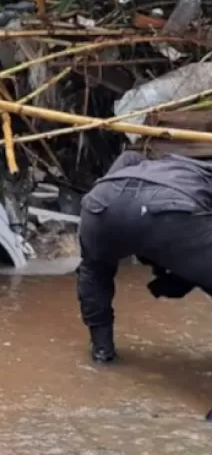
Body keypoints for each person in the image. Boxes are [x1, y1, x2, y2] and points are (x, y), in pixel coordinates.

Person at [76, 149, 212, 364]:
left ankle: (102, 351)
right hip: (171, 208)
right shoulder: (200, 173)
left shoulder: (137, 163)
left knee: (94, 272)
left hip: (100, 203)